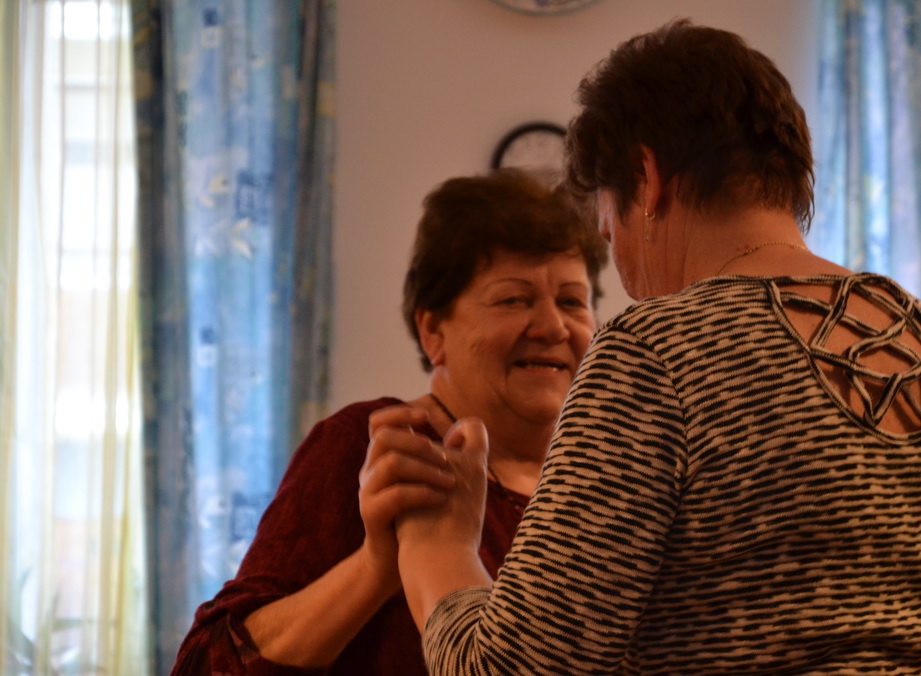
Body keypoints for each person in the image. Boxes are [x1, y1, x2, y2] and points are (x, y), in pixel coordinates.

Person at [392, 18, 921, 674]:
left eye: (609, 231)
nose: (623, 270)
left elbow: (514, 668)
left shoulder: (654, 354)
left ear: (647, 177)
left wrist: (440, 547)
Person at [169, 168, 608, 674]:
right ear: (432, 330)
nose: (553, 326)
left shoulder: (605, 479)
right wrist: (375, 566)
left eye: (572, 301)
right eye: (514, 299)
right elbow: (207, 665)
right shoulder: (377, 449)